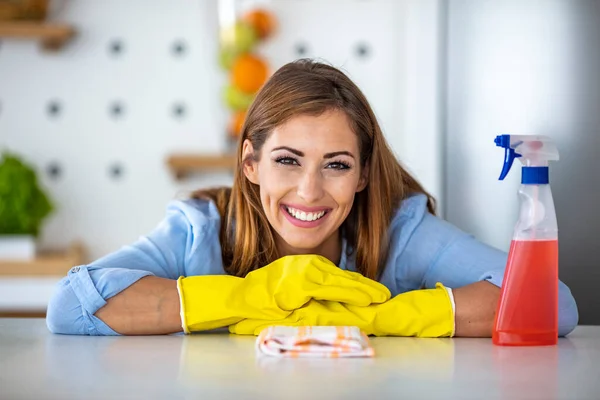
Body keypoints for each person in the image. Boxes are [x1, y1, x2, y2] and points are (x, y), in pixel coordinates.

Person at [46, 59, 579, 337]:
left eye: (337, 166)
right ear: (250, 163)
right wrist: (255, 299)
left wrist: (379, 317)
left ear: (364, 174)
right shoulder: (201, 229)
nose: (309, 191)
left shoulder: (399, 230)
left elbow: (551, 303)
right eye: (287, 160)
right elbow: (71, 307)